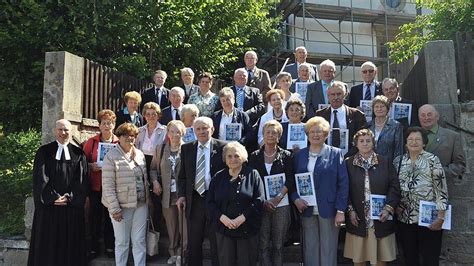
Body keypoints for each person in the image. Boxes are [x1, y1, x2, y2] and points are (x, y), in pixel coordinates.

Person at [28, 119, 90, 266]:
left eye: (66, 130)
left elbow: (81, 180)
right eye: (60, 129)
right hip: (49, 209)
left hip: (70, 208)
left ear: (71, 131)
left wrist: (70, 197)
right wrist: (52, 197)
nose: (63, 133)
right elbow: (40, 178)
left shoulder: (78, 154)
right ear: (55, 131)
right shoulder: (44, 152)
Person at [290, 116, 349, 266]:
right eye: (312, 131)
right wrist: (296, 198)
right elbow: (292, 181)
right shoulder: (299, 155)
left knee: (328, 248)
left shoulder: (336, 153)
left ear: (326, 134)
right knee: (310, 248)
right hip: (306, 208)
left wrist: (341, 210)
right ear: (307, 134)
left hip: (329, 209)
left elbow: (343, 183)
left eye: (319, 131)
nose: (315, 135)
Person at [344, 129, 400, 266]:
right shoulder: (348, 163)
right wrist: (350, 210)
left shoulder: (385, 162)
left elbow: (394, 187)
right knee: (359, 260)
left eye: (368, 141)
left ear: (373, 143)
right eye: (361, 141)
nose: (365, 144)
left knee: (380, 260)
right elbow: (344, 189)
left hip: (380, 219)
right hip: (358, 218)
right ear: (355, 144)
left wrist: (388, 208)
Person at [394, 127, 448, 266]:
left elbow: (441, 188)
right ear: (406, 143)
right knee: (410, 258)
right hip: (405, 219)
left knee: (430, 258)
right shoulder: (398, 161)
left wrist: (441, 216)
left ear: (424, 143)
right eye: (410, 139)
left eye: (418, 139)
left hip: (429, 219)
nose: (413, 142)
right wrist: (395, 206)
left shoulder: (432, 160)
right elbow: (393, 188)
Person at [176, 117, 227, 266]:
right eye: (198, 129)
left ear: (212, 129)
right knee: (194, 241)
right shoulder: (187, 148)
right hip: (195, 199)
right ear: (193, 131)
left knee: (216, 240)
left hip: (216, 201)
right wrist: (181, 196)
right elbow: (182, 176)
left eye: (205, 128)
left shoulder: (223, 147)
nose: (202, 131)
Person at [207, 141, 265, 266]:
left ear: (243, 157)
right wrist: (223, 219)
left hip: (247, 229)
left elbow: (259, 200)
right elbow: (210, 202)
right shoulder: (218, 177)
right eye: (229, 156)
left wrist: (241, 218)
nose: (233, 159)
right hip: (224, 228)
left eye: (237, 156)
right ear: (225, 159)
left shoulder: (253, 174)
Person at [248, 121, 295, 266]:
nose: (270, 135)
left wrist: (277, 198)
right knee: (262, 244)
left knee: (278, 245)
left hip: (281, 204)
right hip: (261, 204)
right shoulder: (254, 156)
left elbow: (291, 179)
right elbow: (252, 181)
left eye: (274, 132)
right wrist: (264, 201)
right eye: (268, 132)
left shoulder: (287, 155)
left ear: (279, 136)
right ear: (263, 134)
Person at [102, 123, 149, 266]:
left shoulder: (139, 154)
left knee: (139, 241)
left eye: (133, 136)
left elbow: (144, 179)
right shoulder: (111, 156)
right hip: (122, 207)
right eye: (126, 135)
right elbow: (108, 186)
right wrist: (114, 208)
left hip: (141, 204)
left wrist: (148, 200)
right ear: (119, 137)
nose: (130, 138)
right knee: (122, 242)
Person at [150, 120, 188, 266]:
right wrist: (155, 182)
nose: (175, 134)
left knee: (184, 227)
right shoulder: (160, 149)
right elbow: (153, 169)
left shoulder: (188, 149)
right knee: (171, 226)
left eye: (178, 131)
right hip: (166, 194)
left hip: (182, 195)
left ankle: (182, 254)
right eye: (172, 131)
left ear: (183, 133)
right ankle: (172, 252)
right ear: (168, 133)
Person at [82, 110, 119, 259]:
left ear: (114, 125)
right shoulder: (92, 142)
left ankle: (110, 246)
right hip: (96, 186)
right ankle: (93, 248)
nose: (107, 126)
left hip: (113, 186)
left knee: (111, 218)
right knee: (94, 217)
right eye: (104, 123)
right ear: (99, 125)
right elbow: (82, 162)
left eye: (109, 123)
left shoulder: (119, 142)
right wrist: (90, 166)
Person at [135, 102, 167, 231]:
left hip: (157, 166)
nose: (151, 116)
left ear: (158, 115)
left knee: (156, 199)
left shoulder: (164, 130)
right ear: (144, 116)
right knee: (142, 198)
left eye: (154, 114)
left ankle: (156, 231)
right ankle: (142, 229)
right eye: (148, 114)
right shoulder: (139, 130)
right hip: (142, 164)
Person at [315, 81, 367, 154]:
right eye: (333, 94)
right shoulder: (320, 115)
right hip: (326, 157)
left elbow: (361, 139)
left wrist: (348, 157)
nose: (336, 97)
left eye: (339, 94)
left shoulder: (357, 115)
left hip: (350, 158)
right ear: (328, 96)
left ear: (344, 95)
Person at [418, 104, 466, 180]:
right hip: (418, 188)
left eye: (429, 114)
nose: (426, 118)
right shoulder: (411, 137)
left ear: (437, 116)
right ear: (419, 118)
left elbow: (460, 165)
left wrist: (438, 173)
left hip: (443, 186)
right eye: (423, 115)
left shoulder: (452, 137)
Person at [366, 95, 403, 163]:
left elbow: (398, 150)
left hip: (388, 166)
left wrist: (395, 169)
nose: (379, 109)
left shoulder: (396, 126)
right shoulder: (367, 126)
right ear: (373, 109)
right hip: (370, 165)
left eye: (382, 106)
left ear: (387, 108)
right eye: (376, 107)